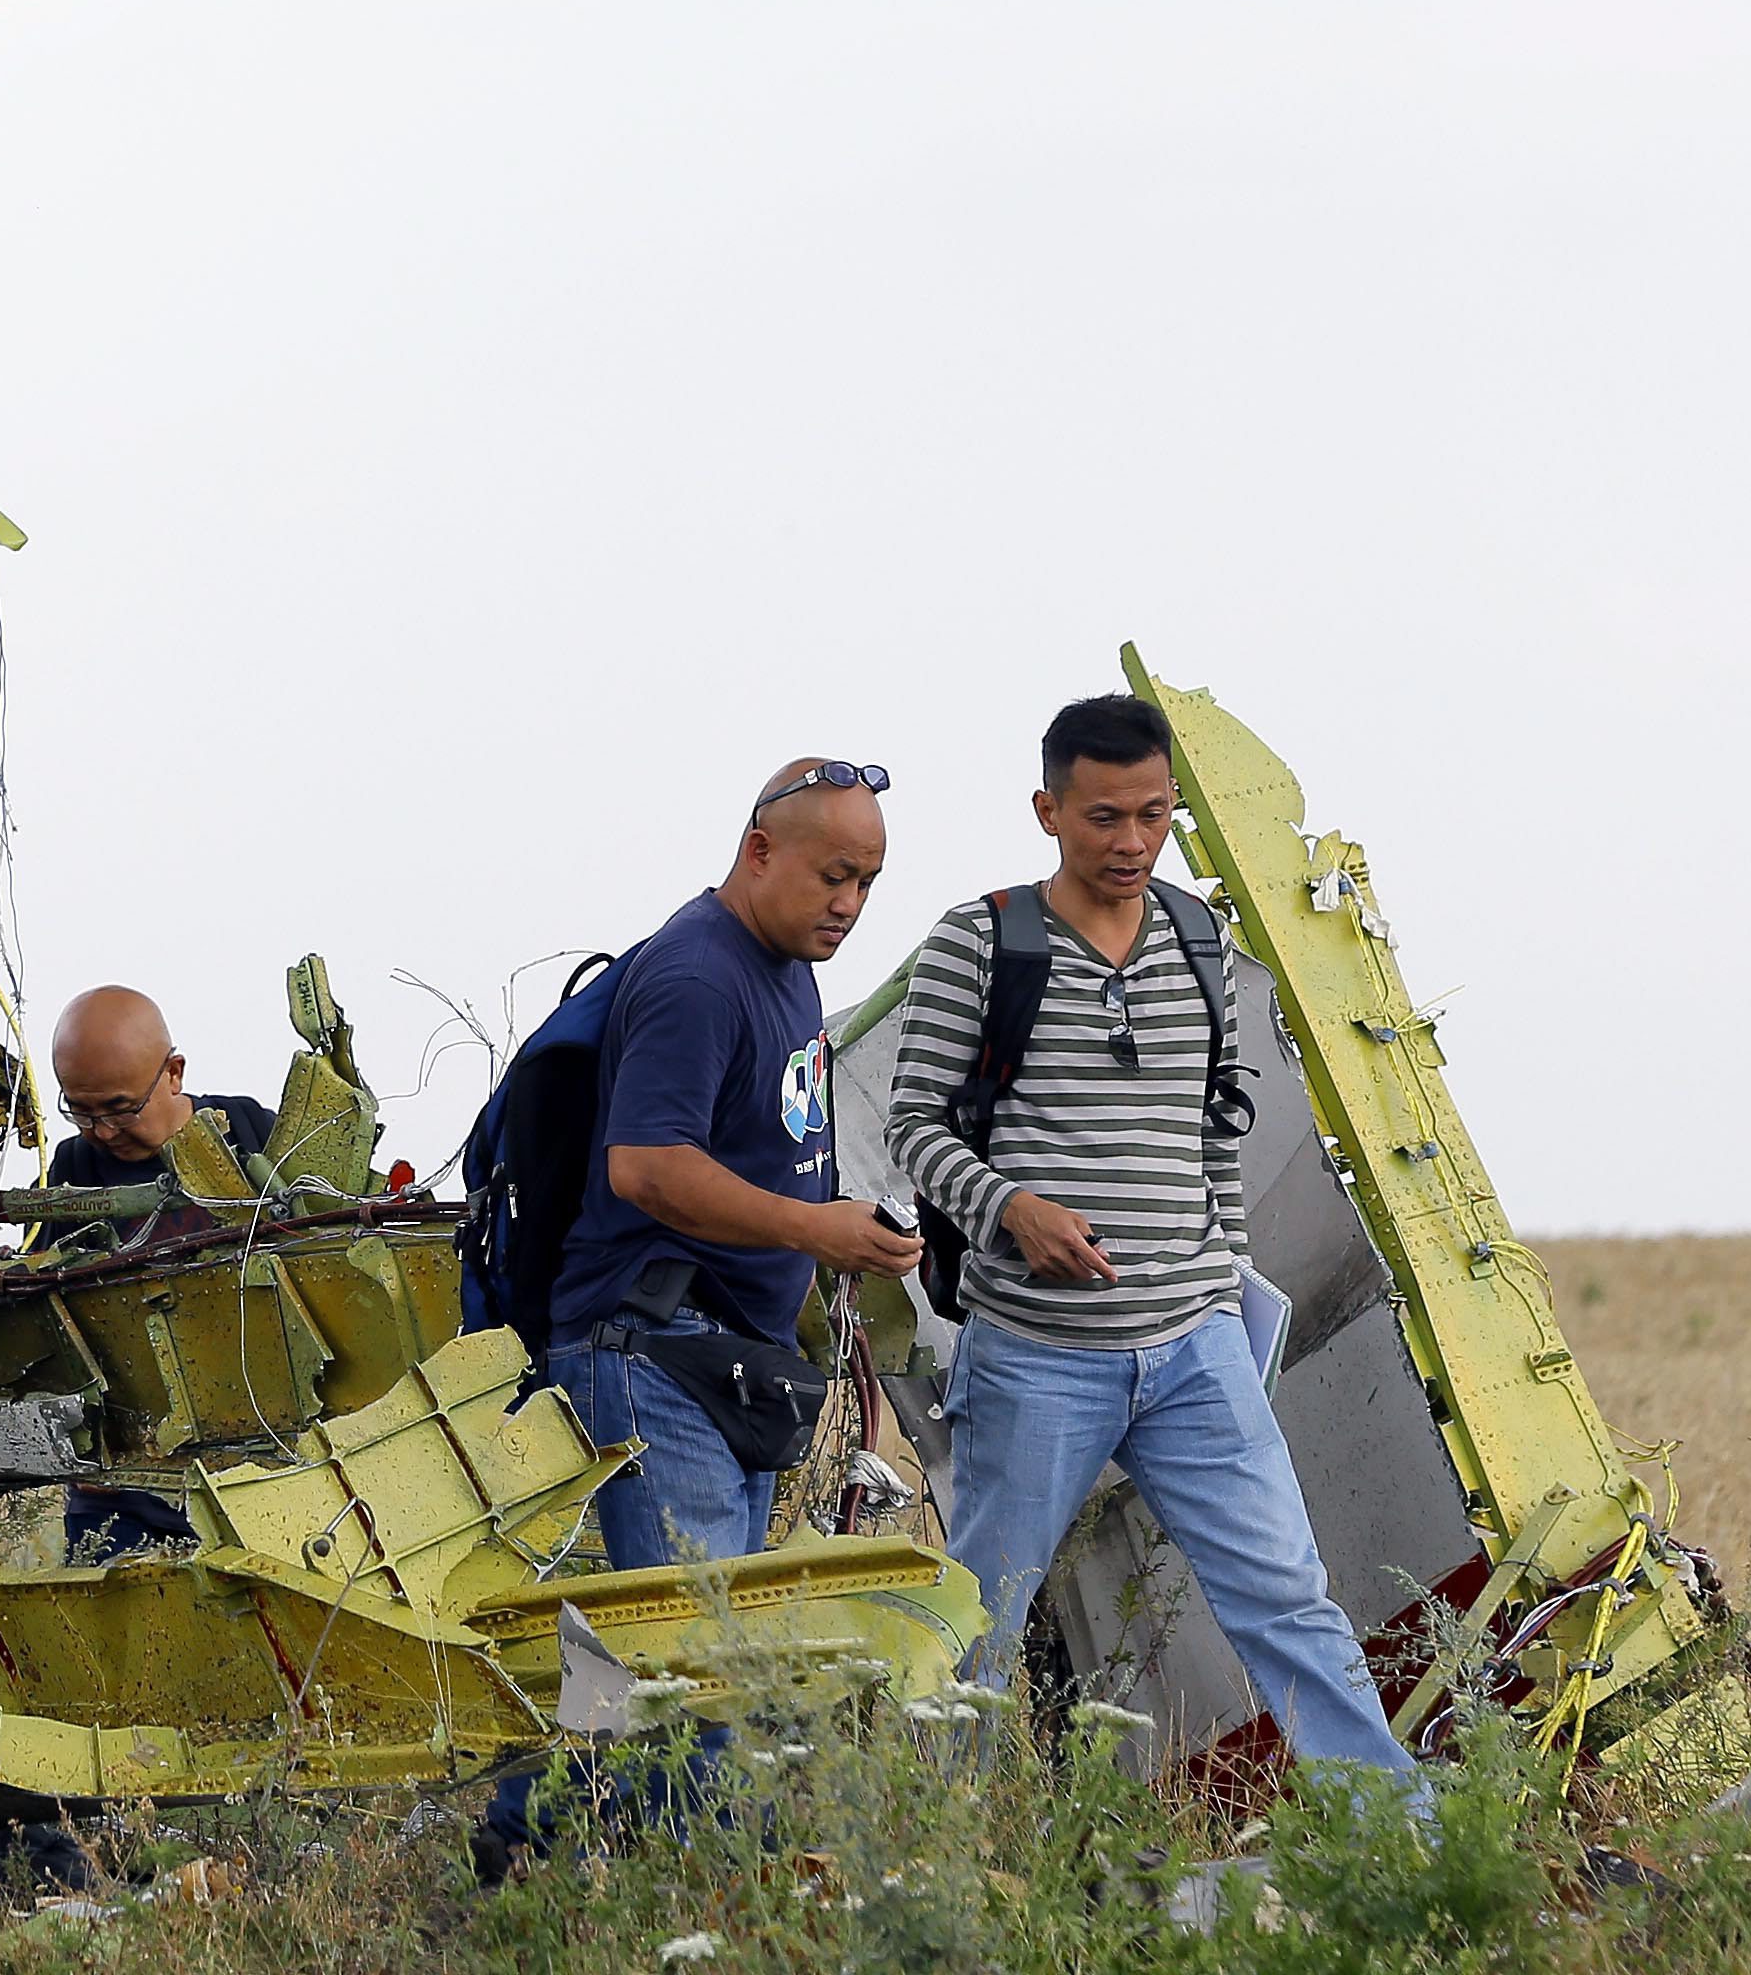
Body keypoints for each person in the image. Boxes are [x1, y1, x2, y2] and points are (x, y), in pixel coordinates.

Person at [886, 693, 1421, 1785]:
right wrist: (1009, 1211)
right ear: (1046, 810)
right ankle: (940, 1865)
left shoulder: (1196, 938)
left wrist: (1224, 1283)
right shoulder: (976, 943)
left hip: (1194, 1352)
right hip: (1036, 1357)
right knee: (977, 1623)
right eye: (1100, 818)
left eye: (1150, 814)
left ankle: (1394, 1844)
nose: (1129, 842)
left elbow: (1212, 1124)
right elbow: (911, 1127)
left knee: (1287, 1604)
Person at [542, 758, 921, 1568]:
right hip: (660, 1353)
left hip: (732, 1363)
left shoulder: (787, 970)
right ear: (759, 851)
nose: (849, 904)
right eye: (833, 876)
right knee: (693, 1662)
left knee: (724, 1658)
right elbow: (643, 1167)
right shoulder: (699, 977)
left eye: (866, 882)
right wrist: (814, 1230)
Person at [35, 985, 275, 1560]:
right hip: (123, 1483)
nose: (103, 1131)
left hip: (257, 1465)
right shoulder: (72, 1168)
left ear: (173, 1072)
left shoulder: (252, 1135)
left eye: (119, 1108)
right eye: (81, 1110)